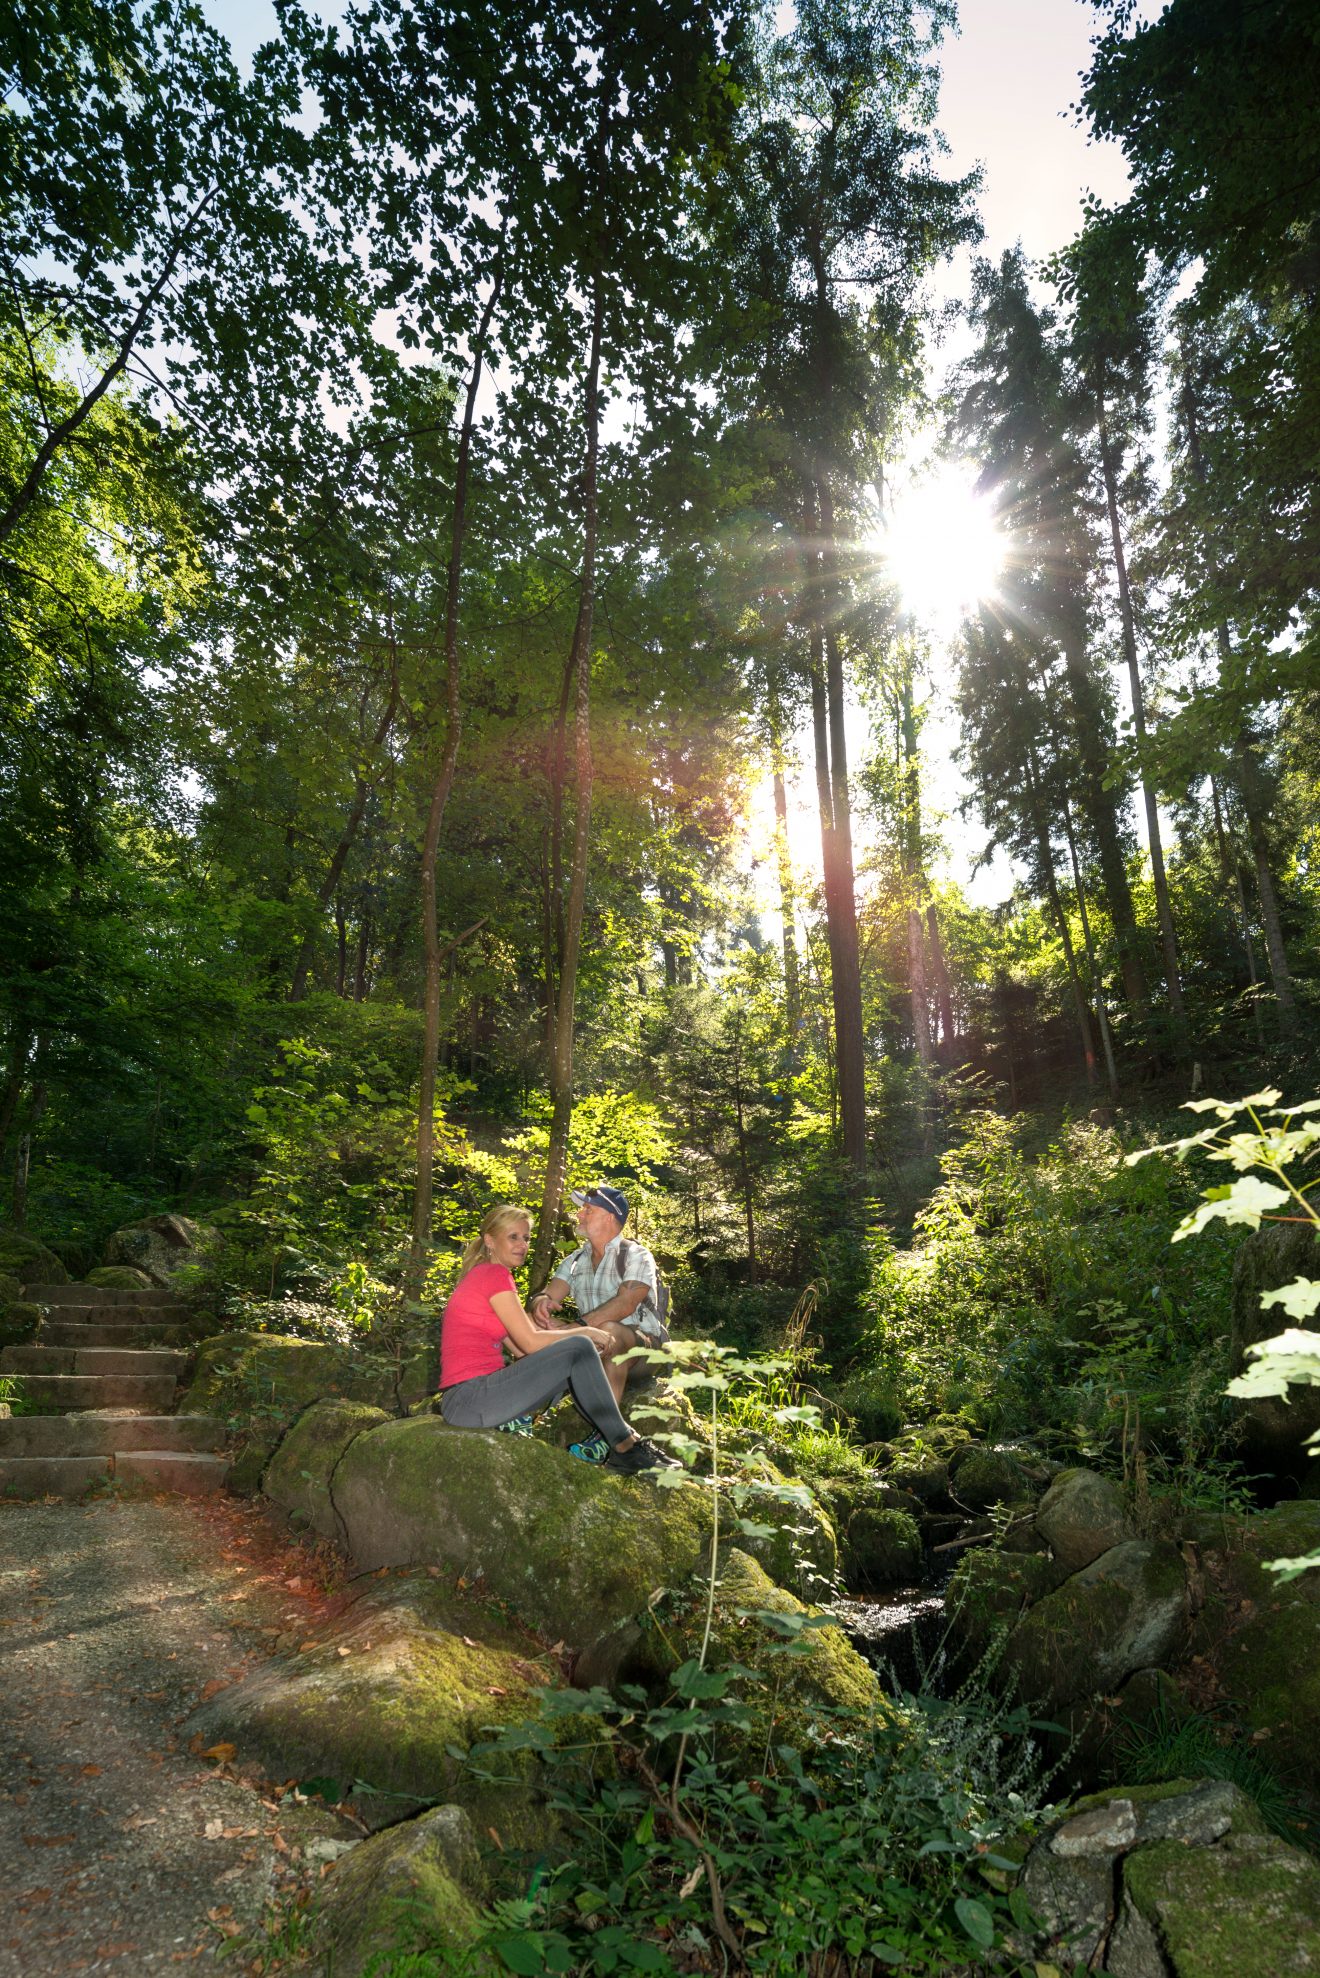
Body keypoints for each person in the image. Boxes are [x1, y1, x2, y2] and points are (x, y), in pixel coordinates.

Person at [439, 1204, 677, 1477]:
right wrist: (583, 1332)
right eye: (513, 1237)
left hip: (475, 1400)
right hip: (471, 1398)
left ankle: (622, 1442)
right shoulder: (493, 1276)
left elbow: (522, 1352)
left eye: (526, 1238)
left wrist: (566, 1339)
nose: (522, 1245)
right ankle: (626, 1446)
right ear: (490, 1241)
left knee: (576, 1356)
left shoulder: (486, 1276)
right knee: (579, 1347)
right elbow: (530, 1343)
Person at [528, 1184, 666, 1412]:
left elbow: (626, 1304)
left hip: (642, 1350)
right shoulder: (575, 1260)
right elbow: (548, 1293)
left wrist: (577, 1328)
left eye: (588, 1210)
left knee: (609, 1331)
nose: (579, 1214)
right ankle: (523, 1412)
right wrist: (540, 1303)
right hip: (589, 1340)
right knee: (529, 1324)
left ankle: (606, 1434)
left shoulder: (636, 1255)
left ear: (609, 1217)